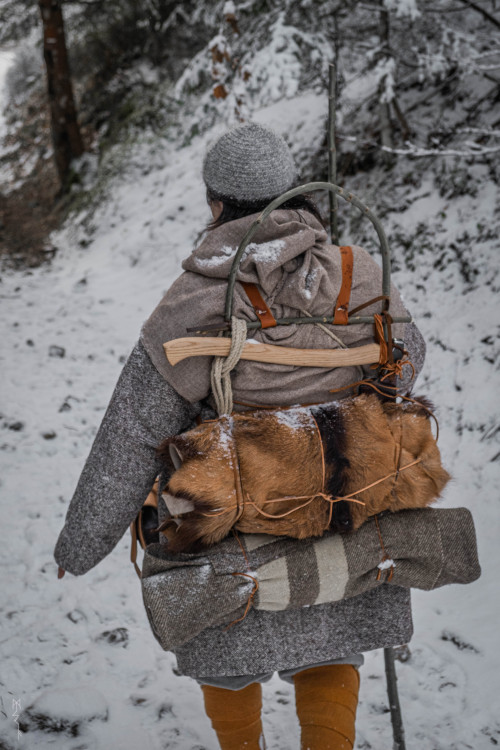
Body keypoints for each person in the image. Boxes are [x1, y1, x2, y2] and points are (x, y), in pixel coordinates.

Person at [55, 122, 426, 750]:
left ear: (216, 203)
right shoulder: (358, 273)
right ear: (295, 194)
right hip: (343, 510)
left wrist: (80, 543)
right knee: (330, 637)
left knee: (223, 629)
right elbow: (408, 358)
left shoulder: (197, 299)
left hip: (237, 523)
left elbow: (133, 429)